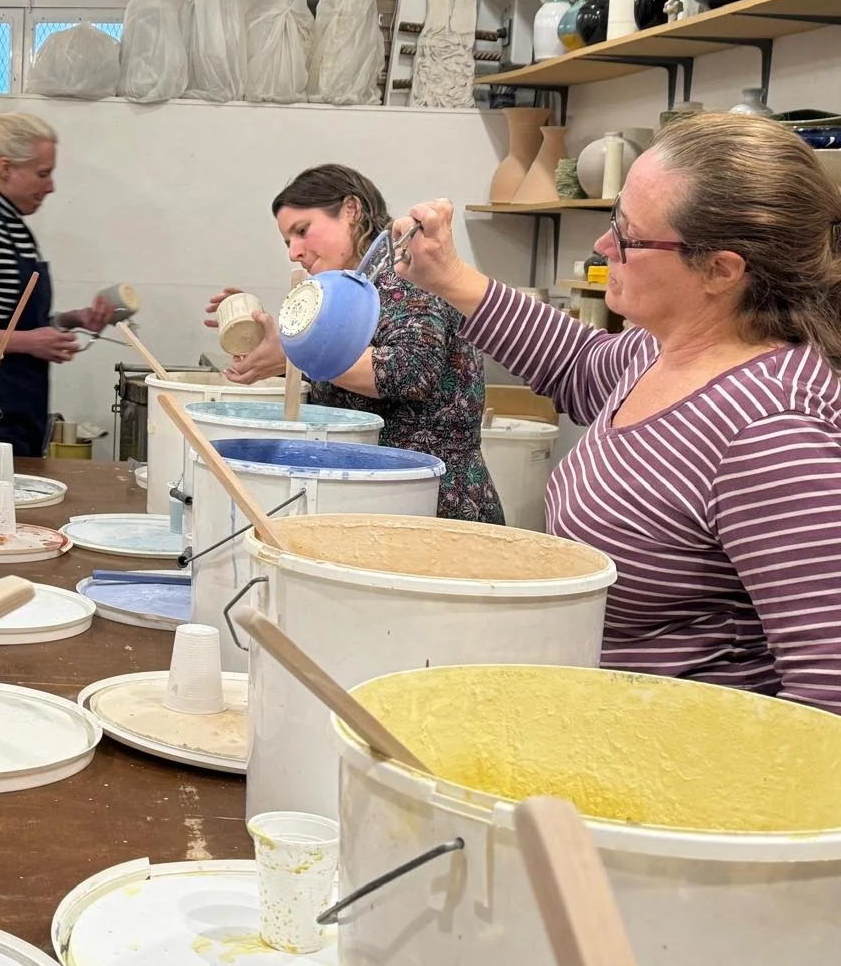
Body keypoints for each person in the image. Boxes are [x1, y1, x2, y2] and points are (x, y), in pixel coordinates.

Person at [395, 113, 841, 712]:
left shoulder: (771, 435)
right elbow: (580, 363)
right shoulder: (661, 350)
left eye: (628, 236)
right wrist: (449, 276)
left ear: (721, 269)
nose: (605, 247)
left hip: (682, 778)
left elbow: (828, 684)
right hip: (605, 732)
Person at [207, 164, 502, 523]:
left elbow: (407, 371)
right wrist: (267, 336)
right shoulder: (355, 285)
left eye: (302, 231)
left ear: (351, 210)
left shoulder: (406, 271)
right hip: (380, 496)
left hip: (432, 504)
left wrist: (295, 354)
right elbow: (344, 378)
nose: (293, 252)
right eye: (288, 241)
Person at [0, 109, 116, 457]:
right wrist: (27, 342)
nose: (51, 187)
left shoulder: (17, 230)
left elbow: (10, 319)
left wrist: (69, 321)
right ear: (6, 169)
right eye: (43, 174)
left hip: (22, 407)